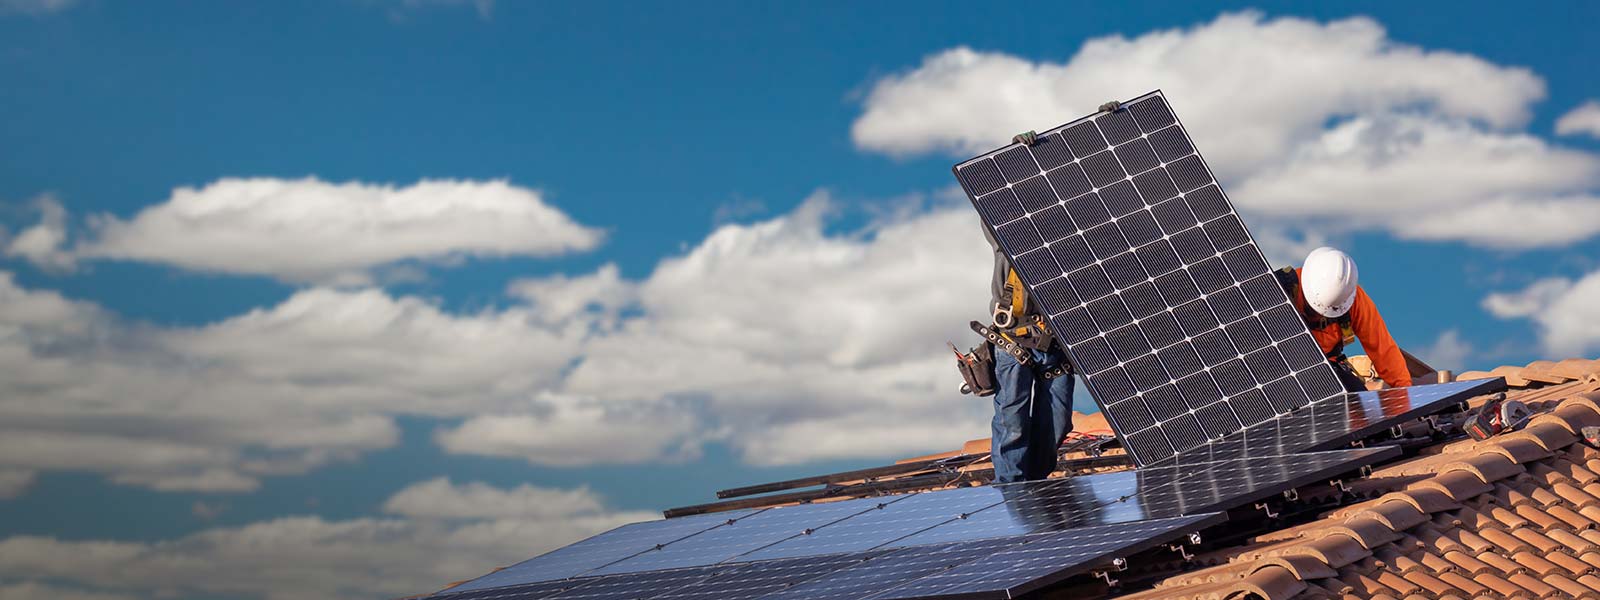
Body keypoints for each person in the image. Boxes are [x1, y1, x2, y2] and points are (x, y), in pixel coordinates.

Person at [985, 228, 1076, 483]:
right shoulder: (1008, 231)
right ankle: (1013, 491)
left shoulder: (1070, 238)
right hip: (1014, 341)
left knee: (1058, 424)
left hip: (1056, 345)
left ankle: (1035, 487)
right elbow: (994, 210)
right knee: (1012, 426)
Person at [1277, 247, 1412, 391]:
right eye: (1315, 310)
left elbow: (1382, 348)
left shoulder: (1353, 299)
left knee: (1358, 405)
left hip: (1328, 370)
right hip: (1279, 368)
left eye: (1329, 313)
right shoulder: (1276, 291)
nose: (1321, 316)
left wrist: (1405, 392)